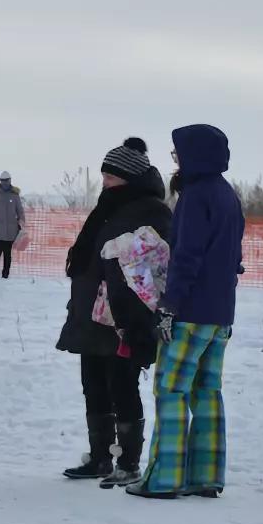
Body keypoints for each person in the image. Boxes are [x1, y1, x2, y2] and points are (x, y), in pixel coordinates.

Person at [127, 125, 245, 500]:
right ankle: (206, 475)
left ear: (195, 155)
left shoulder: (195, 197)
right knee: (207, 391)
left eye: (178, 153)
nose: (175, 159)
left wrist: (169, 305)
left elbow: (187, 257)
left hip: (190, 313)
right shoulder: (227, 195)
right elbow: (234, 258)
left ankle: (163, 479)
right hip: (220, 314)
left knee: (171, 389)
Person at [57, 138, 171, 488]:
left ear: (129, 178)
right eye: (104, 174)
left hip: (125, 316)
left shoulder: (153, 210)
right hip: (91, 312)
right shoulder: (107, 207)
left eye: (111, 175)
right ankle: (100, 456)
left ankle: (129, 462)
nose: (104, 181)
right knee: (93, 384)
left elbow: (154, 261)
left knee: (122, 385)